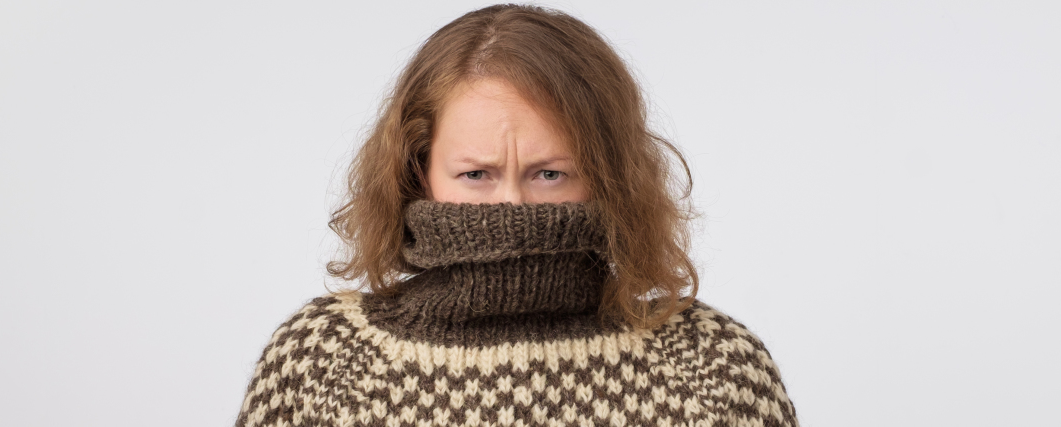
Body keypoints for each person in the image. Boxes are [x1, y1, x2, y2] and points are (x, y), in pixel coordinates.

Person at [234, 4, 798, 426]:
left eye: (549, 173)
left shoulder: (711, 364)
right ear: (417, 171)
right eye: (476, 174)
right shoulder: (324, 359)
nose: (512, 208)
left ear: (608, 176)